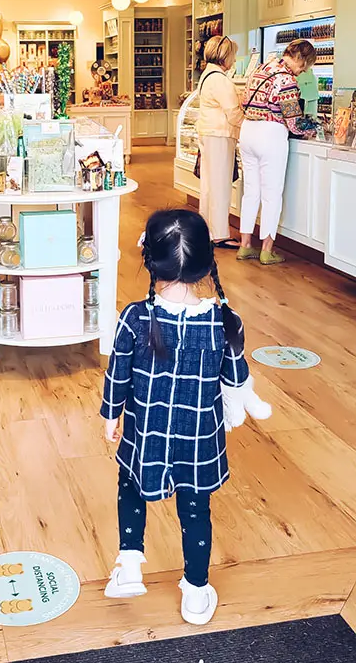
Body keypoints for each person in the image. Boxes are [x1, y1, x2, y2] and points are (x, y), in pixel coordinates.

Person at [101, 209, 271, 625]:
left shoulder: (135, 318)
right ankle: (196, 592)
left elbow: (117, 371)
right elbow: (235, 377)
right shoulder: (224, 322)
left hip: (147, 434)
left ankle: (129, 566)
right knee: (196, 511)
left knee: (130, 486)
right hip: (199, 440)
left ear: (150, 261)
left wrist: (111, 415)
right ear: (205, 263)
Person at [238, 39, 317, 265]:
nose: (303, 72)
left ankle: (245, 245)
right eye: (305, 66)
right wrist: (312, 128)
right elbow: (294, 124)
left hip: (248, 131)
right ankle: (266, 250)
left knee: (251, 192)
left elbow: (244, 100)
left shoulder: (262, 68)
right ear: (301, 59)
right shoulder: (287, 80)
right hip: (270, 135)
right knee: (271, 195)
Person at [196, 36, 244, 249]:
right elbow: (233, 112)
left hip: (209, 133)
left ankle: (206, 229)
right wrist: (247, 126)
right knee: (221, 185)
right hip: (220, 135)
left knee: (209, 185)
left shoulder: (207, 75)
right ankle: (220, 234)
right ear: (225, 56)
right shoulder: (220, 79)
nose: (234, 60)